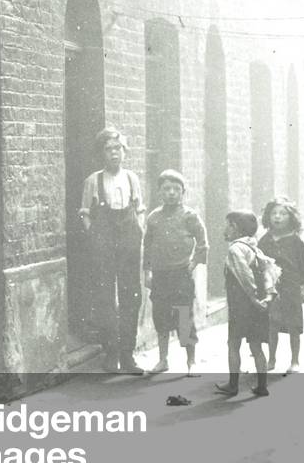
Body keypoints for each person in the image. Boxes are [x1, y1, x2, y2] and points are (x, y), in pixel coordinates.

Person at [79, 127, 146, 374]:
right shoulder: (92, 181)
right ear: (102, 154)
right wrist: (95, 236)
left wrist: (139, 230)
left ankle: (128, 355)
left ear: (124, 152)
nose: (114, 154)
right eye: (109, 149)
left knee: (131, 295)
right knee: (104, 297)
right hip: (103, 242)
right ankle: (111, 354)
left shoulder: (131, 178)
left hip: (129, 241)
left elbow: (139, 208)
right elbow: (85, 213)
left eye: (118, 149)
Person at [143, 169, 208, 375]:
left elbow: (203, 244)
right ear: (159, 192)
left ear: (183, 192)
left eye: (176, 189)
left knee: (183, 317)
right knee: (160, 316)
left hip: (181, 275)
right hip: (160, 276)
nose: (171, 193)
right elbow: (148, 245)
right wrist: (147, 271)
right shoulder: (153, 217)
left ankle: (191, 362)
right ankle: (163, 360)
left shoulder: (190, 216)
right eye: (166, 189)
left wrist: (193, 264)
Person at [215, 211, 273, 398]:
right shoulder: (254, 247)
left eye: (228, 225)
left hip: (243, 305)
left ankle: (233, 385)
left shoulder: (235, 249)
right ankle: (262, 386)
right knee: (256, 346)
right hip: (257, 305)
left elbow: (244, 277)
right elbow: (268, 272)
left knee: (233, 343)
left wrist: (254, 298)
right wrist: (268, 296)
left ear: (236, 228)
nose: (225, 229)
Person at [258, 197, 304, 374]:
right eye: (274, 213)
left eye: (282, 214)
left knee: (293, 324)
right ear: (268, 216)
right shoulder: (265, 240)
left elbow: (303, 266)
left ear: (291, 218)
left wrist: (303, 288)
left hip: (291, 286)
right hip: (271, 287)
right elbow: (258, 262)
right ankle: (271, 358)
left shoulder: (296, 241)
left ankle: (294, 360)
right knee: (272, 323)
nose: (278, 217)